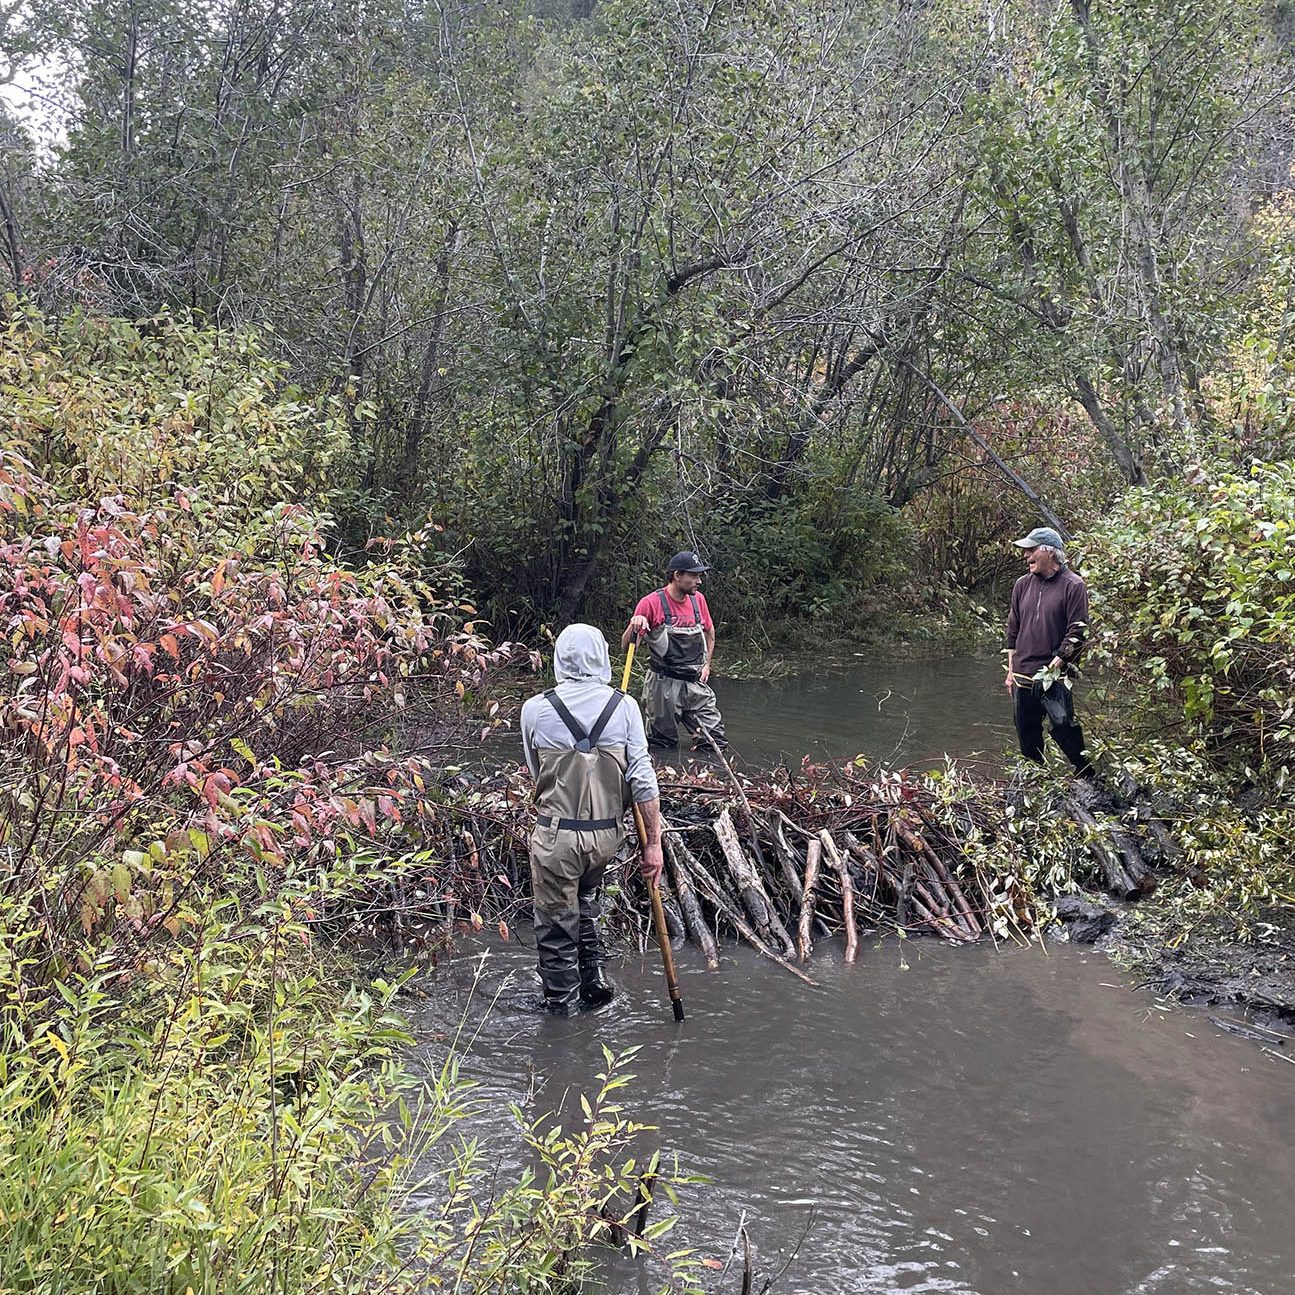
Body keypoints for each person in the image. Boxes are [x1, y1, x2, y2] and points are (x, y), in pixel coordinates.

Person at [520, 624, 664, 1015]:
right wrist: (653, 844)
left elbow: (537, 775)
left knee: (555, 925)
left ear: (560, 658)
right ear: (602, 656)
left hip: (556, 838)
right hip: (605, 839)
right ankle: (594, 978)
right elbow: (643, 780)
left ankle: (561, 1011)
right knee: (586, 901)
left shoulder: (534, 709)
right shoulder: (625, 707)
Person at [1005, 525, 1093, 776]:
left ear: (1050, 553)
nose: (1026, 556)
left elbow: (1077, 634)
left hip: (1054, 674)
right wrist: (1011, 672)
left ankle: (1086, 774)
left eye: (1031, 550)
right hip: (1022, 675)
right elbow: (1012, 631)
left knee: (1064, 727)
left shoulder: (1073, 585)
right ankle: (1038, 781)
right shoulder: (1021, 585)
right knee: (1027, 736)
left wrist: (1051, 670)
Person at [620, 549, 728, 751]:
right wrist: (633, 625)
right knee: (662, 745)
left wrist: (706, 664)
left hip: (694, 683)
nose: (699, 581)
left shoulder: (699, 600)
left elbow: (709, 631)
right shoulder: (651, 603)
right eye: (694, 575)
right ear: (677, 575)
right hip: (662, 687)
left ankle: (706, 777)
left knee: (714, 742)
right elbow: (626, 647)